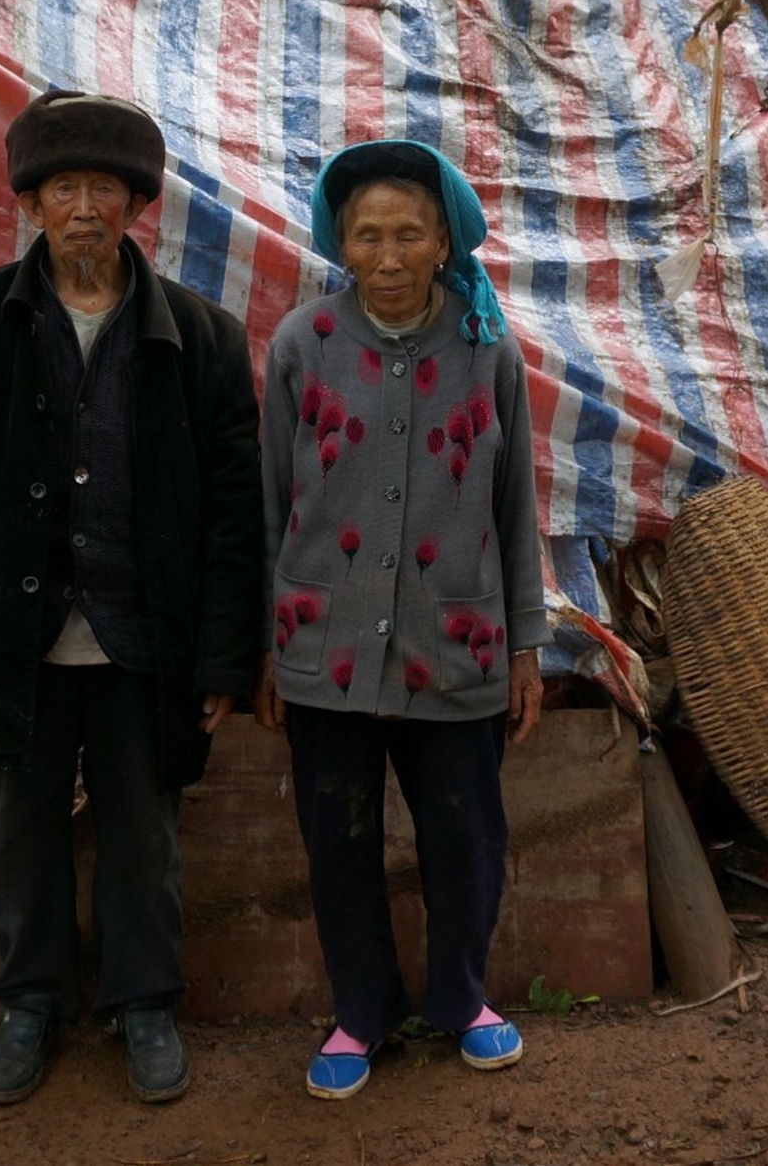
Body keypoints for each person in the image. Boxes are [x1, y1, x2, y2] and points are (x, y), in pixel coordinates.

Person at [0, 89, 264, 1106]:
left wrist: (227, 657)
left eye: (105, 186)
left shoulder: (205, 336)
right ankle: (32, 1002)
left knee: (145, 832)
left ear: (138, 203)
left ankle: (145, 1003)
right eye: (64, 186)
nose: (84, 206)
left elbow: (237, 514)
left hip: (147, 641)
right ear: (34, 203)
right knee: (24, 831)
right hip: (11, 639)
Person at [254, 137, 547, 1100]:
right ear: (340, 243)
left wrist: (526, 647)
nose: (386, 255)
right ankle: (362, 1011)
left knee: (465, 835)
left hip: (453, 641)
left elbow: (514, 507)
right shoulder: (303, 343)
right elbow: (270, 500)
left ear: (442, 242)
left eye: (408, 234)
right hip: (322, 642)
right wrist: (268, 641)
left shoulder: (486, 347)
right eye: (366, 235)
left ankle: (463, 1000)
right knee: (336, 837)